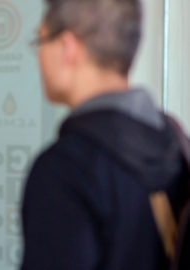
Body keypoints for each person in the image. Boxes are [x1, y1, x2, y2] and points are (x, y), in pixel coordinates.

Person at [21, 0, 189, 269]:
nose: (38, 54)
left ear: (68, 47)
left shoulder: (65, 169)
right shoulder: (177, 144)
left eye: (40, 40)